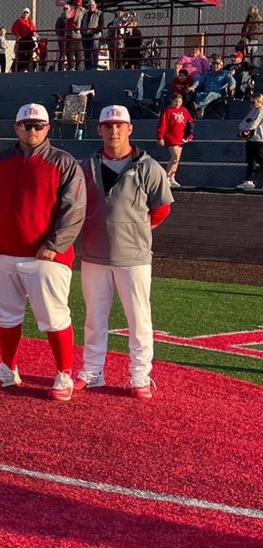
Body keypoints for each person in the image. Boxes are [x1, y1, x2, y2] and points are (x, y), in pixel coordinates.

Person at [0, 103, 85, 401]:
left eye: (38, 125)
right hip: (4, 253)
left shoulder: (64, 162)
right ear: (16, 127)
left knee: (53, 316)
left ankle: (64, 373)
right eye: (26, 125)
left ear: (48, 128)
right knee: (6, 315)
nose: (32, 130)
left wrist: (54, 245)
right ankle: (7, 368)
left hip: (45, 256)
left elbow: (73, 209)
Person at [74, 105, 173, 401]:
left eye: (119, 126)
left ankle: (140, 374)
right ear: (99, 130)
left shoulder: (148, 166)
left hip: (134, 257)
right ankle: (92, 371)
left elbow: (162, 208)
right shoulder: (86, 165)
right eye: (108, 126)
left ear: (129, 129)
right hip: (94, 255)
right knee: (94, 317)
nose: (113, 131)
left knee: (139, 319)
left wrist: (136, 231)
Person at [155, 93, 194, 187]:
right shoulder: (167, 111)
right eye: (175, 101)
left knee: (177, 160)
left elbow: (190, 121)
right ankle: (166, 177)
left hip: (181, 137)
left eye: (180, 102)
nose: (177, 103)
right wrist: (160, 137)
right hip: (171, 137)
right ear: (171, 101)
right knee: (175, 157)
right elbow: (162, 125)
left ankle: (172, 177)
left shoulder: (184, 110)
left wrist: (189, 134)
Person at [238, 95, 263, 189]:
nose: (251, 104)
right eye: (250, 102)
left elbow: (253, 124)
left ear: (260, 102)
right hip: (251, 139)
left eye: (254, 102)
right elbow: (243, 123)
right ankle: (249, 181)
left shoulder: (261, 111)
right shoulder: (253, 111)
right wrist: (243, 127)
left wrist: (245, 127)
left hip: (259, 139)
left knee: (261, 160)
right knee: (250, 160)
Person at [81, 0, 103, 70]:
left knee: (95, 49)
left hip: (95, 34)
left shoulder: (99, 13)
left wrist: (95, 32)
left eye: (92, 5)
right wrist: (82, 32)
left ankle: (95, 66)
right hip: (85, 34)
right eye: (89, 5)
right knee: (86, 51)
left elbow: (101, 25)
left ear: (95, 5)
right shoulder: (85, 14)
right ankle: (88, 67)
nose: (91, 7)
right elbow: (82, 24)